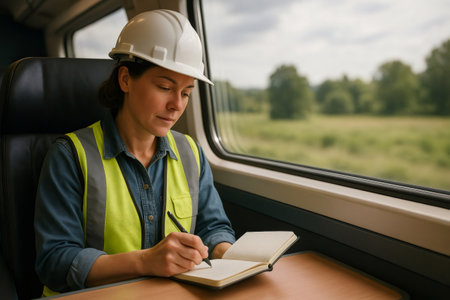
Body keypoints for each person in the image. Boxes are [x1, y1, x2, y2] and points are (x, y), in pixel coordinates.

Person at [34, 9, 235, 296]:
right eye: (165, 87)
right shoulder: (69, 155)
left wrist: (228, 253)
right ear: (125, 79)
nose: (176, 104)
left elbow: (213, 227)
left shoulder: (191, 153)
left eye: (186, 92)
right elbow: (55, 262)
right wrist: (145, 261)